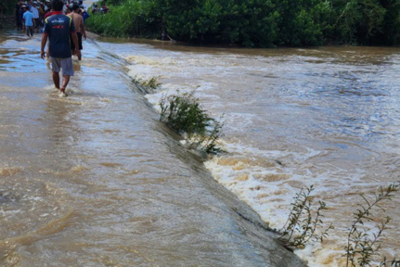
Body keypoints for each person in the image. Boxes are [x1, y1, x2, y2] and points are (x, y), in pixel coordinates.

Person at [40, 0, 81, 97]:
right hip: (65, 50)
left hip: (53, 50)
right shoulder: (68, 20)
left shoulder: (48, 20)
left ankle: (57, 88)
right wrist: (77, 48)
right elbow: (74, 36)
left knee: (55, 71)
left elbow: (44, 36)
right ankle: (63, 87)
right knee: (66, 72)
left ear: (52, 8)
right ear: (62, 7)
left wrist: (42, 50)